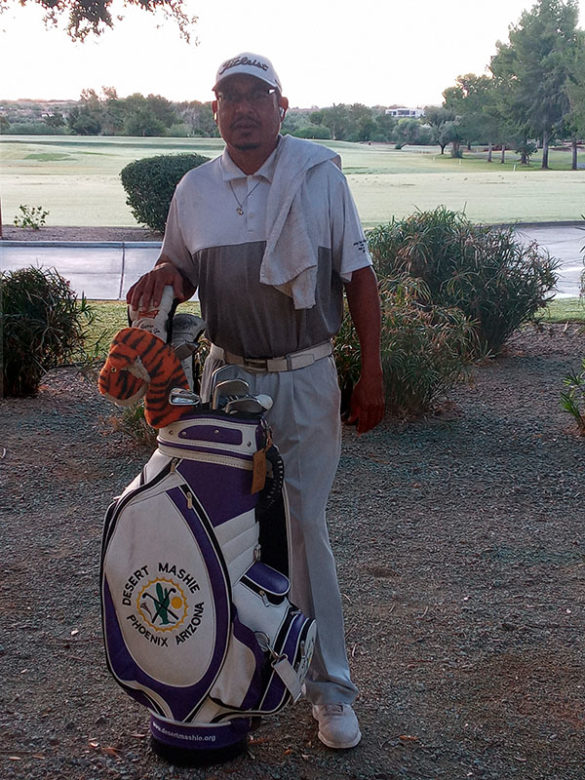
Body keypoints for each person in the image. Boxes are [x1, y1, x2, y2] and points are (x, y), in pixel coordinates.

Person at [127, 52, 385, 750]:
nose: (241, 108)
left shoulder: (318, 176)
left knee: (304, 532)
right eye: (228, 96)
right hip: (226, 378)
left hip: (305, 377)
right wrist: (164, 281)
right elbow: (179, 265)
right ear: (213, 110)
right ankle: (227, 682)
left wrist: (370, 375)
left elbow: (358, 277)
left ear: (280, 105)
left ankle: (330, 691)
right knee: (223, 536)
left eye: (255, 95)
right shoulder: (194, 188)